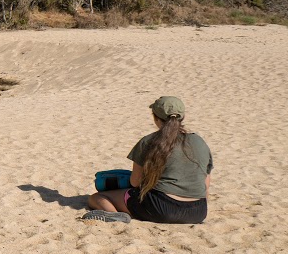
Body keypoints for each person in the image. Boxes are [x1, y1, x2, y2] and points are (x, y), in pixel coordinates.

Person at [87, 96, 211, 224]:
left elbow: (135, 182)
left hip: (162, 209)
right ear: (182, 117)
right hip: (198, 211)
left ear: (156, 118)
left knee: (97, 197)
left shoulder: (148, 142)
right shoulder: (200, 142)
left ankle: (114, 215)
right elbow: (206, 184)